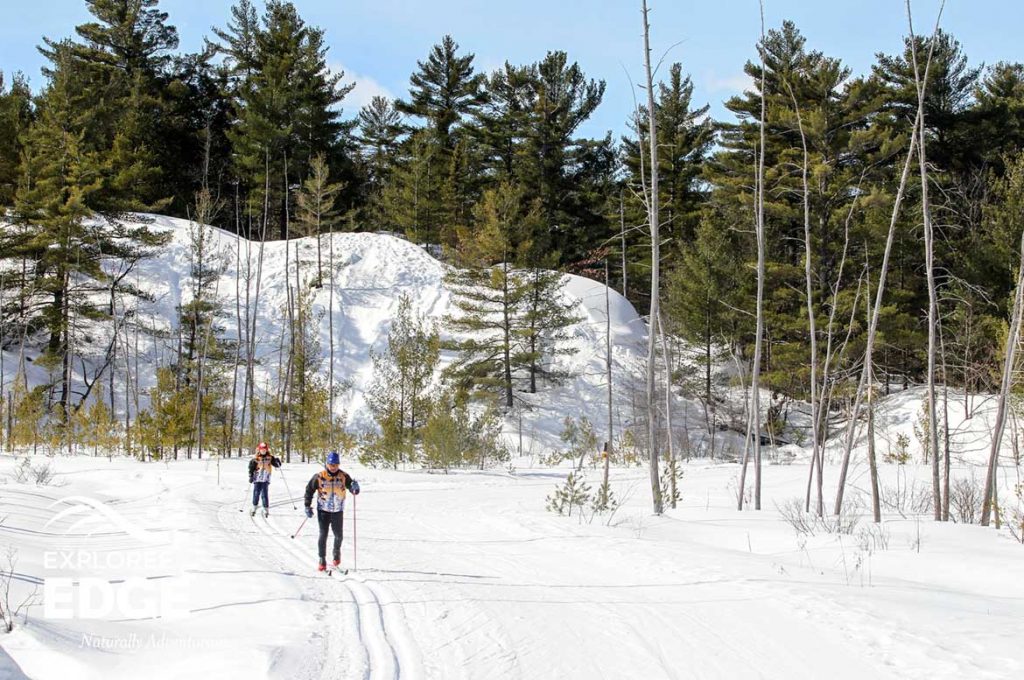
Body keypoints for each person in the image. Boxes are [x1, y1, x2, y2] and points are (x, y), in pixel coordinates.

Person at [303, 451, 360, 571]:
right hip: (323, 510)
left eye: (336, 465)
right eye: (331, 464)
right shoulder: (319, 476)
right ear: (327, 464)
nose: (333, 467)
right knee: (323, 534)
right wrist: (307, 506)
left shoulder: (344, 476)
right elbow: (309, 490)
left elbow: (353, 489)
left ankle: (336, 553)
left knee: (338, 535)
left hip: (338, 510)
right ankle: (322, 559)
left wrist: (355, 488)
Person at [248, 442, 282, 518]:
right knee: (256, 493)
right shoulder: (256, 458)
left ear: (266, 450)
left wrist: (277, 461)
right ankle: (254, 506)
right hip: (257, 479)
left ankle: (265, 508)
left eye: (264, 449)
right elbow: (251, 468)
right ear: (259, 450)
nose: (263, 451)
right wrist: (250, 476)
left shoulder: (270, 457)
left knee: (264, 493)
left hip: (265, 479)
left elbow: (277, 466)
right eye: (262, 449)